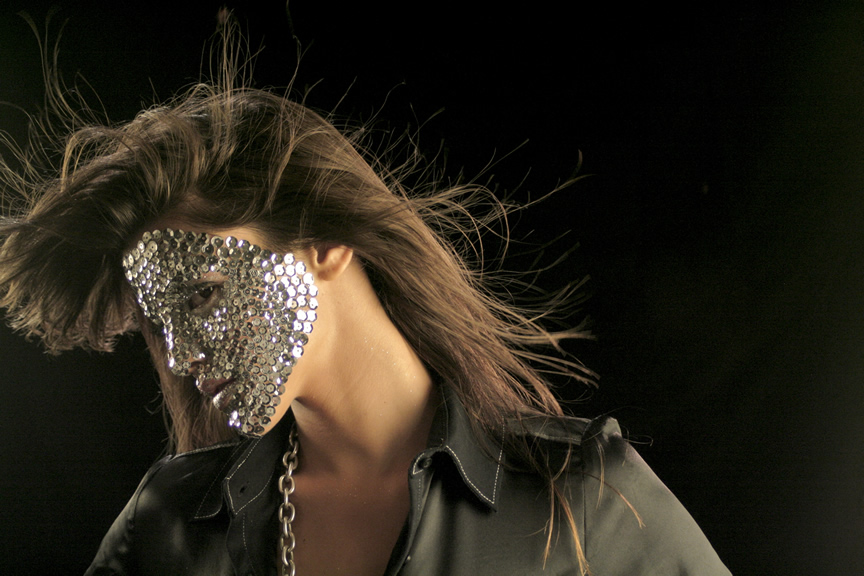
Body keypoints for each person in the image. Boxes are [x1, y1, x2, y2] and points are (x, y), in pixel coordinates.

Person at [0, 23, 731, 576]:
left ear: (323, 240)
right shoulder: (167, 526)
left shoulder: (583, 501)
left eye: (202, 293)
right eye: (162, 325)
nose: (184, 353)